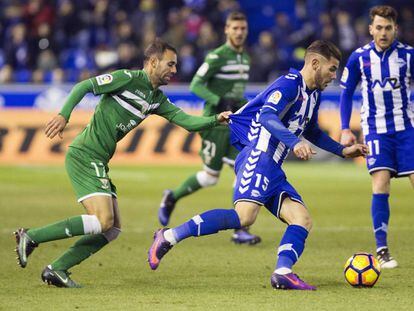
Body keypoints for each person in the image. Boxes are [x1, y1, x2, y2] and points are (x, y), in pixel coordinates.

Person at [148, 40, 368, 290]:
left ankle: (283, 272)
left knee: (301, 219)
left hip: (274, 167)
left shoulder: (313, 95)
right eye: (331, 69)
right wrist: (294, 142)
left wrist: (342, 150)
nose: (333, 76)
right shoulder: (289, 84)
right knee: (244, 217)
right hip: (259, 155)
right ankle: (168, 236)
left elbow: (313, 131)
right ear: (315, 63)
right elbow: (266, 115)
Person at [13, 38, 231, 288]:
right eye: (170, 64)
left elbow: (187, 121)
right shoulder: (128, 78)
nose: (174, 70)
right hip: (86, 154)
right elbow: (83, 85)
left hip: (99, 159)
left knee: (112, 229)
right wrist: (64, 115)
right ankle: (32, 236)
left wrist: (216, 119)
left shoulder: (156, 98)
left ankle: (57, 268)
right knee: (103, 221)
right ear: (152, 62)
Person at [158, 12, 261, 245]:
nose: (239, 32)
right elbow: (196, 84)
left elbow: (235, 93)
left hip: (235, 123)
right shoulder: (217, 56)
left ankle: (241, 228)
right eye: (235, 28)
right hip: (216, 123)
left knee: (246, 170)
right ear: (226, 30)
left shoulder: (245, 56)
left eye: (243, 28)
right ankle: (172, 196)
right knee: (209, 178)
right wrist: (218, 100)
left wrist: (247, 106)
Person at [339, 5, 414, 269]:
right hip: (375, 129)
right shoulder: (358, 57)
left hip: (407, 129)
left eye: (388, 28)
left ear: (396, 29)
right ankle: (382, 250)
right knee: (381, 183)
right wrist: (345, 127)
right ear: (371, 29)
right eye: (379, 28)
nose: (383, 33)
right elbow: (346, 93)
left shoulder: (408, 56)